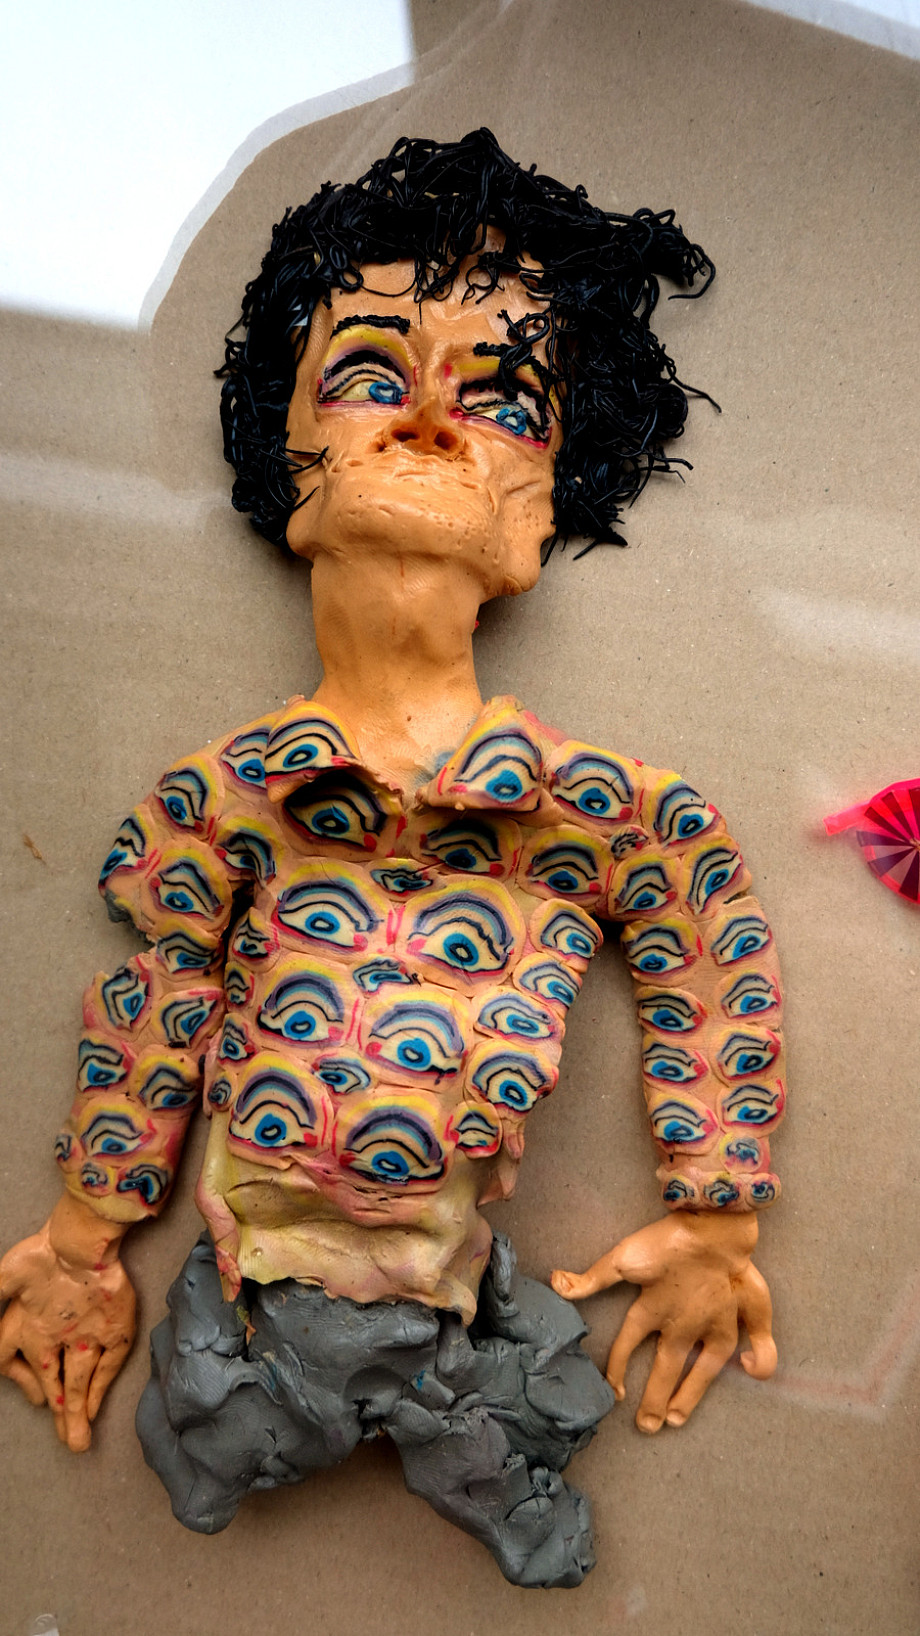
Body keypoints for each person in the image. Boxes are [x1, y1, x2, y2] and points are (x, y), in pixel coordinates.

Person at [0, 130, 781, 1588]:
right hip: (251, 1286)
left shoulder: (607, 811)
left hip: (466, 1302)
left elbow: (708, 962)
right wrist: (84, 1238)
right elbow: (159, 1003)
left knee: (511, 1461)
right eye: (368, 372)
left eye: (502, 399)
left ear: (541, 507)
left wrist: (717, 1209)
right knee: (212, 1455)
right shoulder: (225, 799)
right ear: (292, 462)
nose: (427, 421)